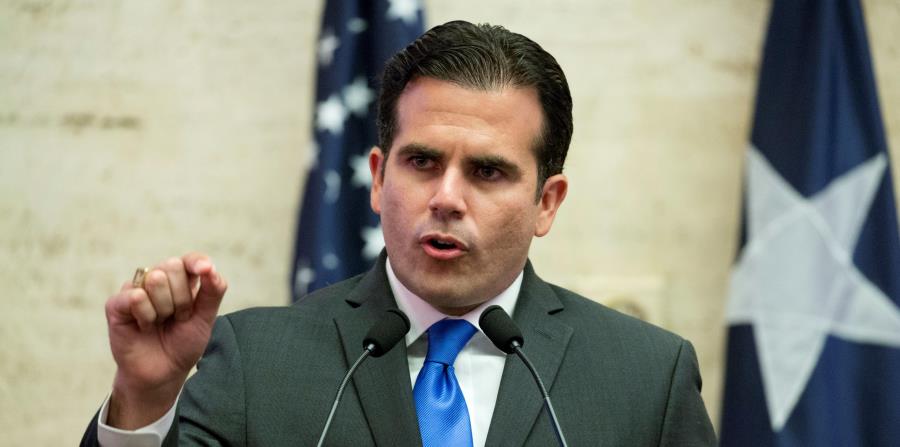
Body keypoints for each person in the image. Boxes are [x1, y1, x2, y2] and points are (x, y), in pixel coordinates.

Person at [82, 20, 716, 446]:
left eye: (488, 172)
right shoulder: (256, 361)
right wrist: (144, 397)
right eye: (422, 162)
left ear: (545, 203)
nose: (446, 198)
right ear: (379, 178)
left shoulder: (645, 378)